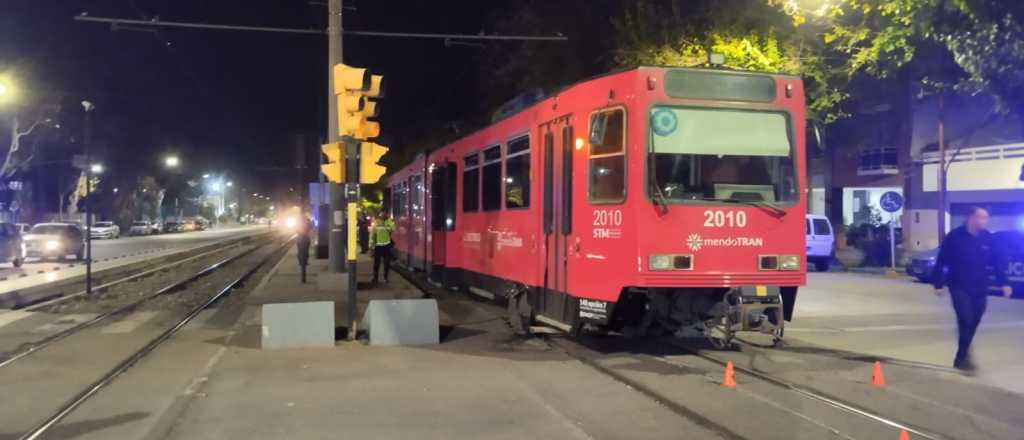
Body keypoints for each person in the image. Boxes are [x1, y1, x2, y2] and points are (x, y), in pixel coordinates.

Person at [931, 206, 1012, 372]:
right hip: (959, 286)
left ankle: (964, 352)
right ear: (971, 217)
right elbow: (942, 260)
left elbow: (996, 261)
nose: (983, 221)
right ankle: (961, 358)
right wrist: (938, 283)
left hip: (980, 287)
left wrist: (1004, 282)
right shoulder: (955, 237)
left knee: (973, 322)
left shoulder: (986, 238)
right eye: (980, 217)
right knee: (966, 319)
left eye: (985, 218)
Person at [369, 212, 395, 284]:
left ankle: (383, 278)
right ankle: (376, 278)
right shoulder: (376, 223)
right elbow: (372, 236)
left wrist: (388, 221)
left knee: (385, 264)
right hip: (379, 246)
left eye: (385, 215)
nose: (384, 216)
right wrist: (371, 247)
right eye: (383, 215)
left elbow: (393, 229)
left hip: (385, 246)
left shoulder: (388, 222)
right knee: (378, 264)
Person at [296, 214, 314, 284]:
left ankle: (301, 262)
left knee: (300, 251)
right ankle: (305, 262)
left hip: (300, 239)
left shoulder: (298, 223)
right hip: (306, 239)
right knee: (306, 251)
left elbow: (296, 230)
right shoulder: (308, 222)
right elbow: (311, 228)